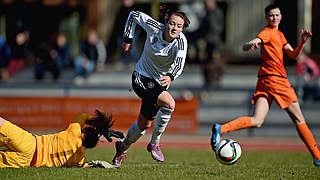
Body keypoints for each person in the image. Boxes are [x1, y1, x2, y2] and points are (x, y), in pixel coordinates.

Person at [210, 4, 320, 167]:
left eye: (276, 15)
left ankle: (221, 128)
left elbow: (293, 55)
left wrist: (302, 43)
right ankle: (317, 156)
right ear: (266, 17)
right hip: (276, 80)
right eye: (270, 15)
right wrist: (250, 45)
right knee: (299, 118)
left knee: (257, 120)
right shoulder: (267, 32)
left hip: (265, 80)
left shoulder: (279, 35)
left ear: (281, 16)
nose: (274, 18)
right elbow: (250, 43)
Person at [111, 6, 190, 168]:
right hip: (141, 77)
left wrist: (170, 76)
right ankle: (154, 144)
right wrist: (128, 39)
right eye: (172, 24)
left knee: (143, 125)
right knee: (170, 104)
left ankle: (122, 148)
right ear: (166, 22)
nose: (174, 28)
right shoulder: (154, 27)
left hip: (157, 84)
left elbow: (179, 63)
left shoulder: (181, 41)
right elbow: (134, 15)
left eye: (179, 26)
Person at [0, 109, 124, 168]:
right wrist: (106, 165)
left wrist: (101, 127)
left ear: (82, 134)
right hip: (27, 162)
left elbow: (83, 116)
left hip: (30, 143)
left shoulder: (73, 133)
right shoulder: (79, 160)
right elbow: (87, 165)